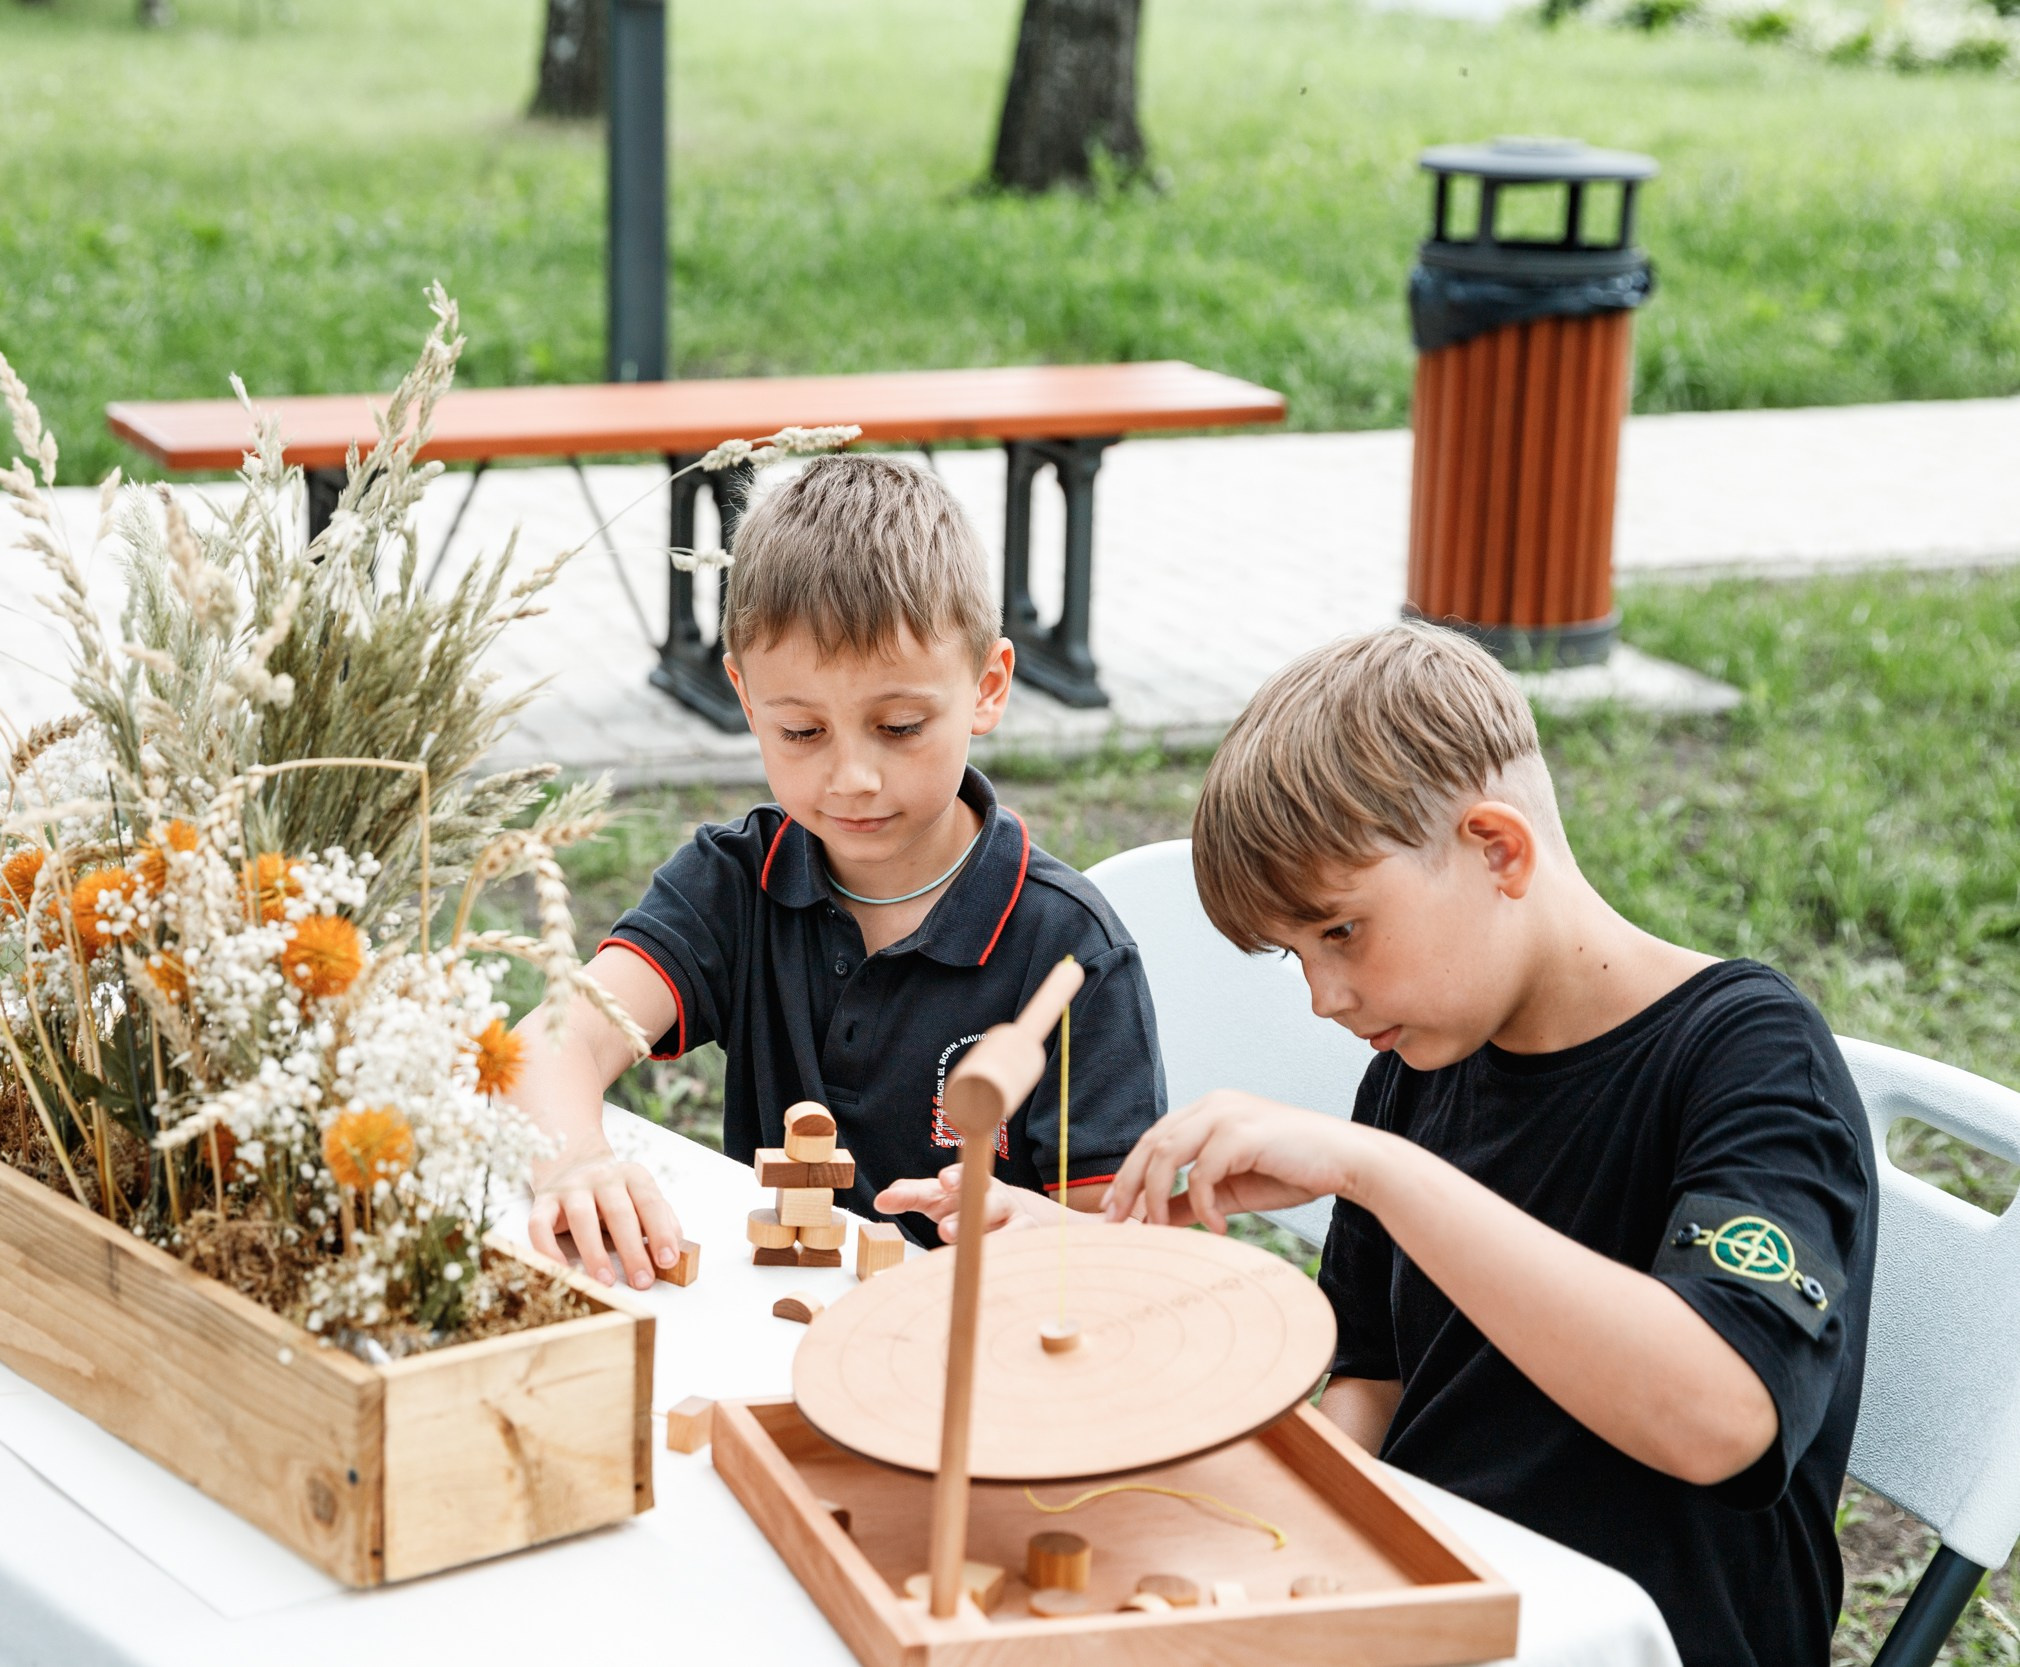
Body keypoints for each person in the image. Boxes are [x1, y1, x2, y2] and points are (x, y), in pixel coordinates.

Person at [1101, 622, 1872, 1667]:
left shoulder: (1747, 1052)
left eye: (1340, 931)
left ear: (1497, 849)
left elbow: (1718, 1414)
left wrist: (1378, 1171)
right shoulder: (1413, 1075)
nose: (1326, 996)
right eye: (1296, 956)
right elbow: (1370, 1385)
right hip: (1436, 1610)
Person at [514, 454, 1166, 1286]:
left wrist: (1053, 1240)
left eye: (898, 726)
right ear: (746, 699)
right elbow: (550, 1041)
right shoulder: (733, 884)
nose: (851, 779)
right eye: (800, 733)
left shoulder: (1075, 955)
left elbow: (1132, 1263)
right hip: (771, 1341)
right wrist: (574, 1164)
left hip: (976, 1372)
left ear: (989, 686)